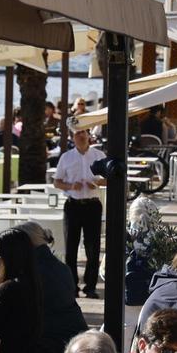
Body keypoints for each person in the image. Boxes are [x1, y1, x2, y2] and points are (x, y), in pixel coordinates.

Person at [13, 221, 87, 353]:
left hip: (47, 346)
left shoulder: (30, 271)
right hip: (71, 338)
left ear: (24, 244)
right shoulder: (61, 267)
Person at [52, 126, 106, 298]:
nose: (81, 136)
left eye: (84, 133)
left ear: (89, 136)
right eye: (77, 134)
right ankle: (72, 286)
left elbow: (110, 179)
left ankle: (90, 287)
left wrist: (96, 183)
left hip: (92, 205)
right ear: (72, 138)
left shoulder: (99, 155)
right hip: (73, 205)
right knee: (71, 248)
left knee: (93, 248)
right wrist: (70, 186)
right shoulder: (66, 157)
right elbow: (57, 182)